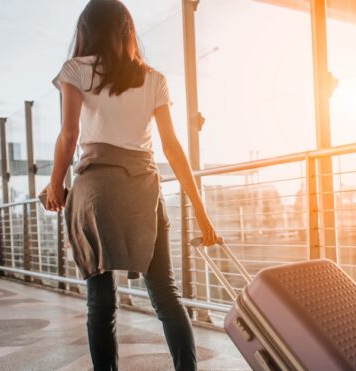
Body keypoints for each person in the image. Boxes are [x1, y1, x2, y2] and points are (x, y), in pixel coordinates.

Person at [44, 1, 218, 370]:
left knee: (101, 301)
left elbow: (70, 133)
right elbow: (172, 148)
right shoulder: (153, 78)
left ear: (86, 29)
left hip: (97, 192)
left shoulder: (75, 70)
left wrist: (55, 184)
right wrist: (202, 213)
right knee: (166, 296)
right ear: (129, 32)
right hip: (143, 190)